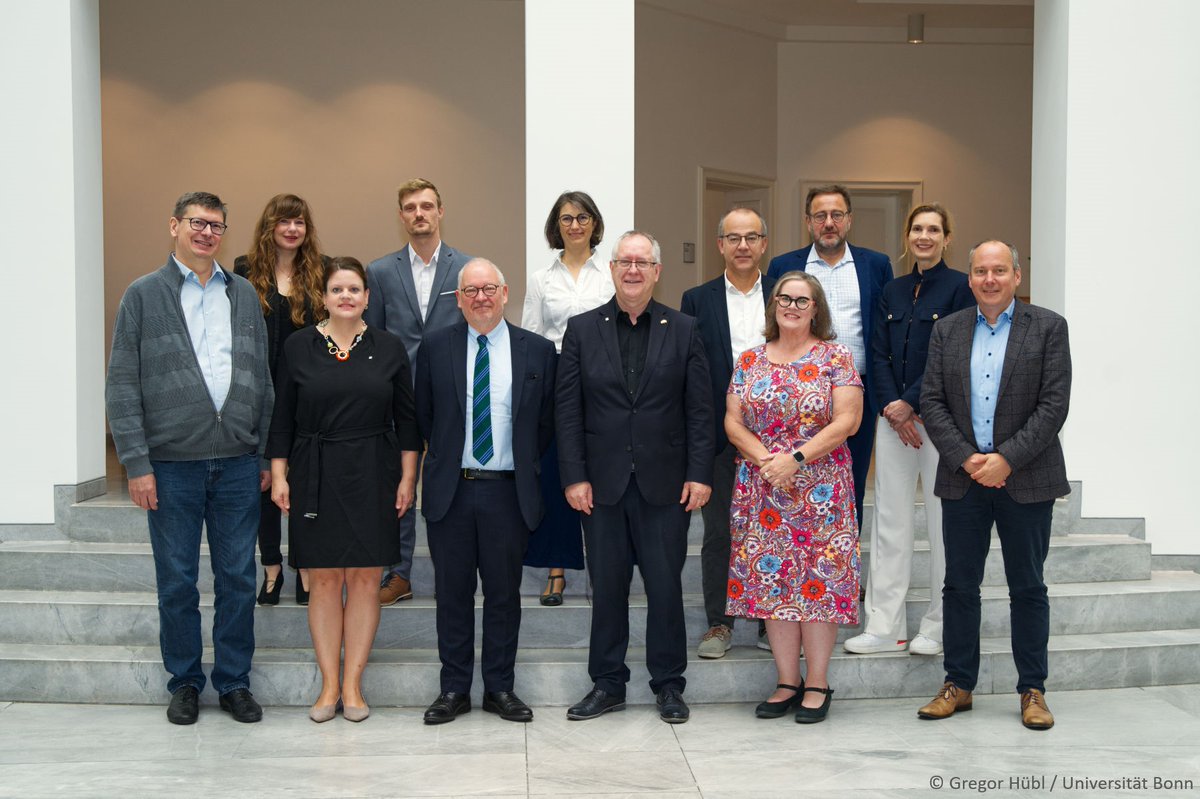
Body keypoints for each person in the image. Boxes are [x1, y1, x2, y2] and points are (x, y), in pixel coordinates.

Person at [106, 191, 272, 725]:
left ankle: (233, 682)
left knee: (239, 580)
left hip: (239, 462)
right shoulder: (143, 295)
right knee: (177, 579)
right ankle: (184, 681)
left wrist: (264, 452)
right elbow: (122, 385)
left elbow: (262, 381)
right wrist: (136, 462)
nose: (207, 233)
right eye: (197, 223)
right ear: (174, 225)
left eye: (217, 227)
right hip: (171, 466)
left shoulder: (244, 294)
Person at [557, 230, 714, 724]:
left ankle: (668, 685)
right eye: (624, 261)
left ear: (657, 272)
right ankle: (607, 685)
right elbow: (567, 411)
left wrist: (700, 474)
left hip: (666, 485)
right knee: (607, 589)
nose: (632, 270)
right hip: (600, 486)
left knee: (666, 586)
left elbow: (701, 411)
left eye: (642, 263)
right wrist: (573, 476)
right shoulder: (582, 329)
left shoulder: (684, 328)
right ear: (612, 269)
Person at [916, 240, 1071, 730]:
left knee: (1028, 587)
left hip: (1027, 478)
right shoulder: (948, 330)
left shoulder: (1047, 327)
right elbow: (932, 401)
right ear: (970, 278)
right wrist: (967, 459)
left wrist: (1006, 459)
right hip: (963, 481)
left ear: (1016, 276)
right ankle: (958, 684)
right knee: (959, 585)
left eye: (999, 270)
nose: (989, 279)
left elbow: (1054, 405)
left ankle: (1033, 690)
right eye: (981, 271)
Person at [268, 257, 421, 723]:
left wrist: (407, 478)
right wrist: (278, 475)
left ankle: (353, 685)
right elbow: (281, 418)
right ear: (325, 296)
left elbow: (409, 422)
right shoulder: (298, 346)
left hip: (374, 471)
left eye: (355, 289)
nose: (346, 297)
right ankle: (328, 685)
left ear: (367, 297)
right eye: (338, 289)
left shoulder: (389, 347)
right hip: (314, 472)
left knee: (363, 581)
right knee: (326, 582)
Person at [416, 259, 557, 725]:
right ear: (458, 298)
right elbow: (425, 418)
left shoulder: (536, 350)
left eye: (489, 288)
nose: (480, 297)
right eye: (471, 290)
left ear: (505, 292)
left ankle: (499, 687)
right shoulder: (435, 348)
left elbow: (544, 424)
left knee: (503, 595)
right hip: (451, 490)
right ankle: (453, 688)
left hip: (507, 492)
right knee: (451, 594)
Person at [725, 271, 863, 724]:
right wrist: (769, 460)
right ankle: (787, 680)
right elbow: (732, 421)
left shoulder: (835, 357)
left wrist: (796, 459)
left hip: (821, 490)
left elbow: (847, 421)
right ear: (773, 306)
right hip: (763, 488)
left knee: (818, 585)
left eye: (802, 301)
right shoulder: (749, 360)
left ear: (816, 309)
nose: (792, 306)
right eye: (784, 299)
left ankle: (818, 682)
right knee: (774, 585)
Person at [844, 204, 974, 656]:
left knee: (942, 527)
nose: (924, 236)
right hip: (891, 422)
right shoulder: (893, 289)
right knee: (889, 523)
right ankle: (885, 626)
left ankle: (937, 626)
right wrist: (892, 407)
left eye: (933, 229)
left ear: (946, 237)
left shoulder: (961, 288)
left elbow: (952, 354)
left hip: (940, 422)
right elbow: (877, 351)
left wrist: (912, 403)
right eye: (917, 228)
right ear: (907, 235)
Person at [365, 178, 473, 606]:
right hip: (399, 394)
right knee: (399, 487)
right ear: (401, 215)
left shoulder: (467, 268)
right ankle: (399, 572)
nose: (419, 214)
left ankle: (456, 569)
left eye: (426, 206)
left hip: (452, 391)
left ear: (441, 211)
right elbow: (371, 337)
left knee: (452, 484)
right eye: (410, 207)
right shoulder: (380, 270)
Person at [680, 207, 776, 658]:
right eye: (733, 238)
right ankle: (720, 623)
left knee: (772, 530)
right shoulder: (696, 300)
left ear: (763, 244)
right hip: (718, 436)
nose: (742, 246)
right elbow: (689, 372)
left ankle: (766, 623)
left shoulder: (785, 295)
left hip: (777, 439)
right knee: (720, 532)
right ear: (719, 245)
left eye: (750, 237)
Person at [767, 185, 892, 525]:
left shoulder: (877, 265)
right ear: (808, 222)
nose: (829, 223)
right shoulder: (783, 265)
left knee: (852, 481)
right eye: (820, 216)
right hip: (797, 391)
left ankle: (846, 572)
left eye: (837, 215)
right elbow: (774, 324)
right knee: (800, 474)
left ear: (849, 220)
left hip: (858, 390)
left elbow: (884, 332)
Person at [521, 191, 614, 607]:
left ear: (594, 222)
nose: (574, 225)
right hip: (556, 380)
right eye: (565, 219)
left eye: (581, 217)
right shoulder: (542, 280)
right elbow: (531, 336)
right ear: (555, 227)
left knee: (601, 470)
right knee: (560, 474)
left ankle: (604, 568)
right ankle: (557, 570)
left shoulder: (610, 275)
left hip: (604, 378)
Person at [235, 193, 326, 607]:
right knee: (265, 484)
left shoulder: (320, 274)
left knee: (305, 486)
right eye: (285, 221)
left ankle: (305, 568)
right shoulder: (242, 271)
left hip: (305, 396)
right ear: (269, 226)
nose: (292, 229)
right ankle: (271, 569)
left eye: (300, 222)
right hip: (258, 395)